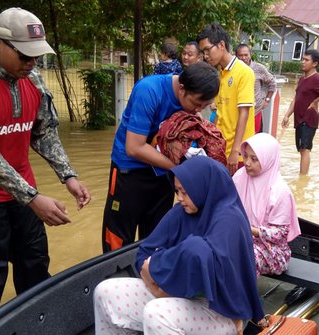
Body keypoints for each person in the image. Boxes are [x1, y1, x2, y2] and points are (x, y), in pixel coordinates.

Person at [0, 7, 91, 324]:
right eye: (24, 56)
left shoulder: (33, 79)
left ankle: (40, 326)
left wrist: (68, 176)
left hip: (24, 194)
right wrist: (33, 197)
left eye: (36, 56)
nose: (31, 63)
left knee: (35, 265)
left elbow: (44, 132)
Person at [94, 156, 264, 335]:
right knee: (105, 292)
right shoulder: (182, 212)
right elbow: (144, 253)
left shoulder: (230, 220)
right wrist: (158, 283)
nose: (180, 198)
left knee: (157, 314)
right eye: (177, 191)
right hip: (171, 289)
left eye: (185, 192)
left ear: (201, 187)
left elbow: (202, 262)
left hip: (221, 310)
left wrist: (157, 268)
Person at [102, 62, 220, 252]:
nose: (199, 110)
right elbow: (134, 147)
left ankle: (149, 275)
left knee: (157, 234)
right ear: (182, 89)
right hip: (130, 171)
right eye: (197, 104)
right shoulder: (149, 91)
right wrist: (180, 168)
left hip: (163, 172)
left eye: (204, 106)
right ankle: (115, 279)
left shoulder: (191, 103)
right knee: (119, 237)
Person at [233, 133, 300, 276]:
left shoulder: (280, 191)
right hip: (241, 238)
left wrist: (252, 230)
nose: (247, 163)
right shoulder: (240, 177)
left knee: (244, 255)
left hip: (271, 249)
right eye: (245, 156)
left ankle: (243, 296)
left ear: (267, 160)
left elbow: (280, 234)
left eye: (254, 159)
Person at [198, 23, 255, 175]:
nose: (205, 55)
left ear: (221, 45)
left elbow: (244, 113)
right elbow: (220, 112)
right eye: (203, 51)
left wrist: (236, 151)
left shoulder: (244, 72)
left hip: (237, 154)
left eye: (207, 50)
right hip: (221, 149)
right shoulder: (221, 74)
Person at [281, 49, 319, 175]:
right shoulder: (302, 79)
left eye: (306, 60)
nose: (302, 62)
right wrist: (287, 115)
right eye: (302, 59)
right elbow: (296, 98)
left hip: (308, 119)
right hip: (299, 118)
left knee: (305, 149)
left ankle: (303, 179)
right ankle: (302, 176)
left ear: (314, 63)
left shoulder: (317, 78)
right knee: (301, 149)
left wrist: (316, 101)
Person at [235, 44, 276, 133]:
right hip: (237, 111)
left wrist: (267, 100)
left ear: (250, 54)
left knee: (253, 140)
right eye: (240, 55)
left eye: (246, 55)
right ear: (236, 56)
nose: (243, 58)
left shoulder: (259, 68)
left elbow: (272, 83)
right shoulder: (234, 70)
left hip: (255, 111)